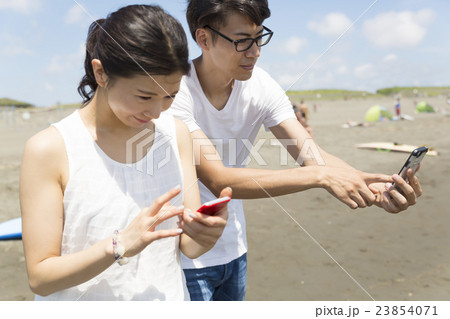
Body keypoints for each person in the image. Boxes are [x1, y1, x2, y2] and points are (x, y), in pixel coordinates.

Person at [168, 0, 423, 301]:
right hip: (183, 254)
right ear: (203, 38)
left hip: (234, 248)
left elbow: (311, 153)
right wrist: (320, 177)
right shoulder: (174, 88)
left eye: (259, 37)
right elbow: (218, 178)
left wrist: (369, 185)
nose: (255, 51)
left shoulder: (260, 85)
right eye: (242, 41)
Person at [19, 5, 230, 301]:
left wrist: (205, 236)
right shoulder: (51, 149)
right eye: (144, 96)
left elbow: (186, 247)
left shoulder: (176, 134)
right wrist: (118, 246)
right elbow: (40, 277)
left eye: (170, 96)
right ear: (101, 73)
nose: (157, 111)